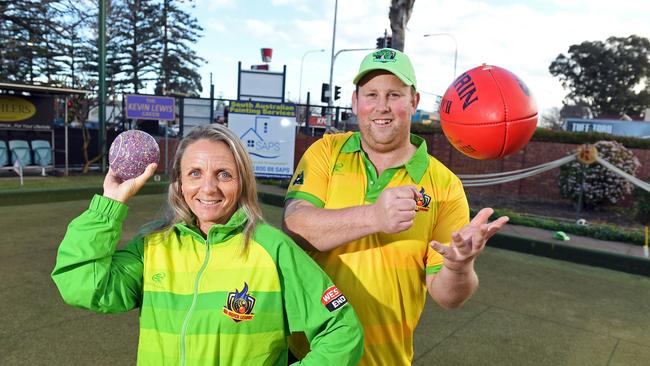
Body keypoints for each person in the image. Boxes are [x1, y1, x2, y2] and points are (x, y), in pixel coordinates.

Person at [52, 124, 363, 365]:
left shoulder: (274, 249)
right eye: (195, 173)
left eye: (224, 174)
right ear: (179, 182)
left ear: (242, 182)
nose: (208, 188)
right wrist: (109, 204)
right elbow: (81, 285)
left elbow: (342, 330)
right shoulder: (153, 246)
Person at [282, 48, 509, 365]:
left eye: (394, 94)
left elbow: (448, 296)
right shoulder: (326, 152)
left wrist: (459, 267)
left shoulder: (444, 186)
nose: (381, 106)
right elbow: (295, 227)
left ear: (414, 102)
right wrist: (374, 216)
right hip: (307, 353)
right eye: (371, 94)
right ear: (355, 102)